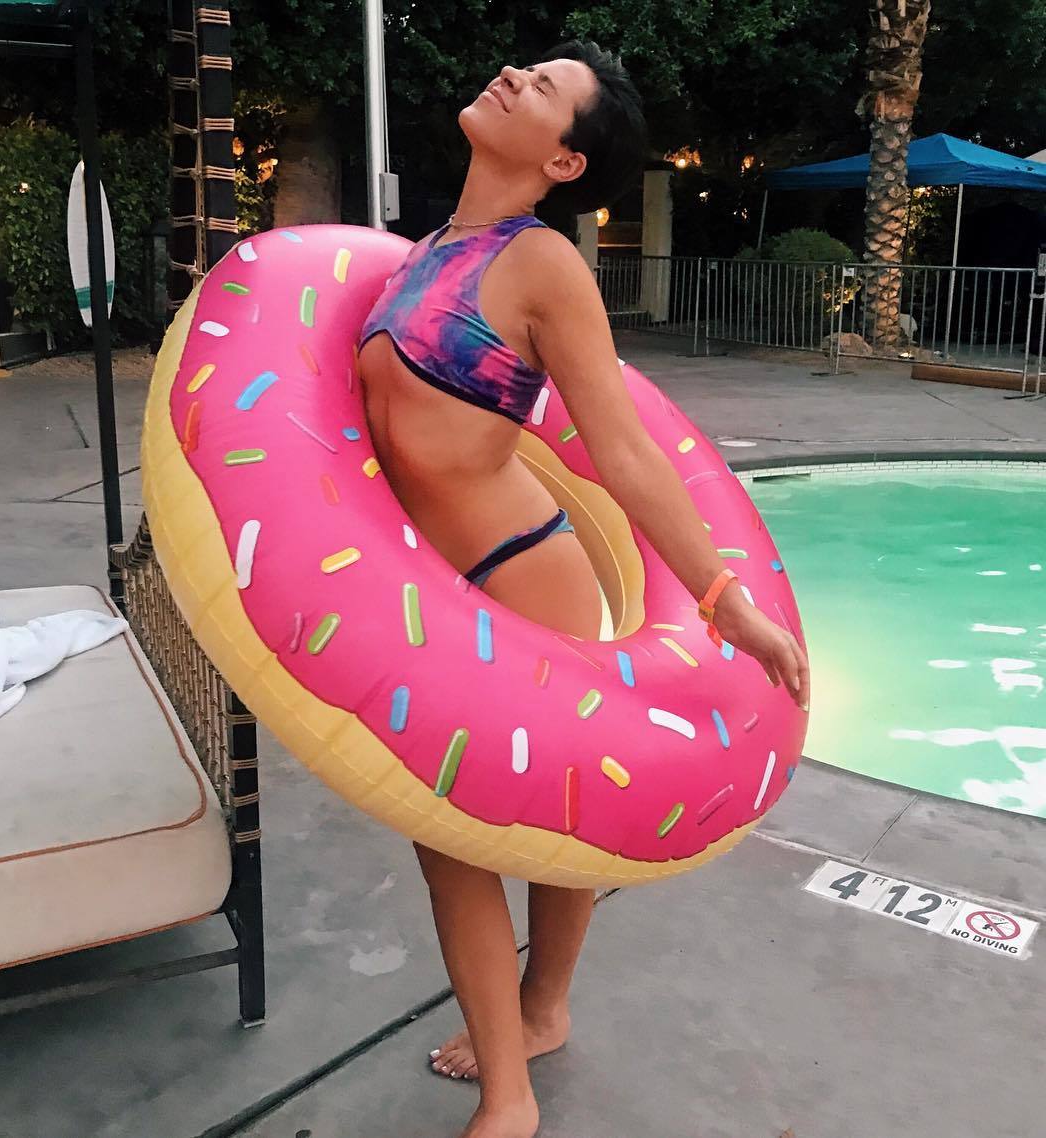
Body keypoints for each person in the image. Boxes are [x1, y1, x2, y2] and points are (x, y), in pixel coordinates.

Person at [356, 39, 810, 1138]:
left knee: (519, 821)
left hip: (520, 574)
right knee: (442, 839)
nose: (516, 77)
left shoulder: (543, 263)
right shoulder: (424, 250)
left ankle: (522, 1066)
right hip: (424, 586)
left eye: (547, 87)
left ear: (565, 161)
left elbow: (624, 451)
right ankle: (530, 1026)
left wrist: (724, 599)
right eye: (528, 68)